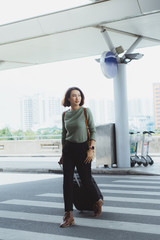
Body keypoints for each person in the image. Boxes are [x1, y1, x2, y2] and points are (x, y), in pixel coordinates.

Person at [59, 87, 103, 228]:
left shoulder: (85, 112)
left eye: (79, 95)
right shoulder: (65, 114)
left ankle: (97, 200)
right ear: (68, 99)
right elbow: (63, 134)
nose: (77, 98)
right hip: (69, 150)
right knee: (67, 182)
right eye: (74, 96)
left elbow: (93, 130)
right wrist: (62, 153)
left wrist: (91, 149)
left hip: (83, 149)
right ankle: (68, 215)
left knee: (86, 180)